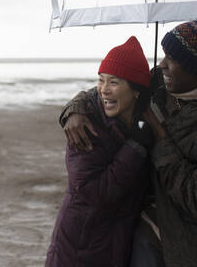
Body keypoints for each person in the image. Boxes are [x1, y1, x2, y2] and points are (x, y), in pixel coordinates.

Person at [60, 18, 197, 267]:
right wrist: (76, 109)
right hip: (139, 224)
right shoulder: (161, 82)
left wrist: (158, 134)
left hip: (190, 244)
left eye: (172, 59)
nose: (161, 65)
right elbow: (113, 87)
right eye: (164, 55)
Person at [45, 36, 152, 267]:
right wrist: (135, 148)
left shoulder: (144, 120)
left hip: (116, 243)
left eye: (114, 82)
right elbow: (93, 192)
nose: (104, 89)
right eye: (101, 80)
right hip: (79, 248)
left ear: (136, 91)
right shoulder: (84, 126)